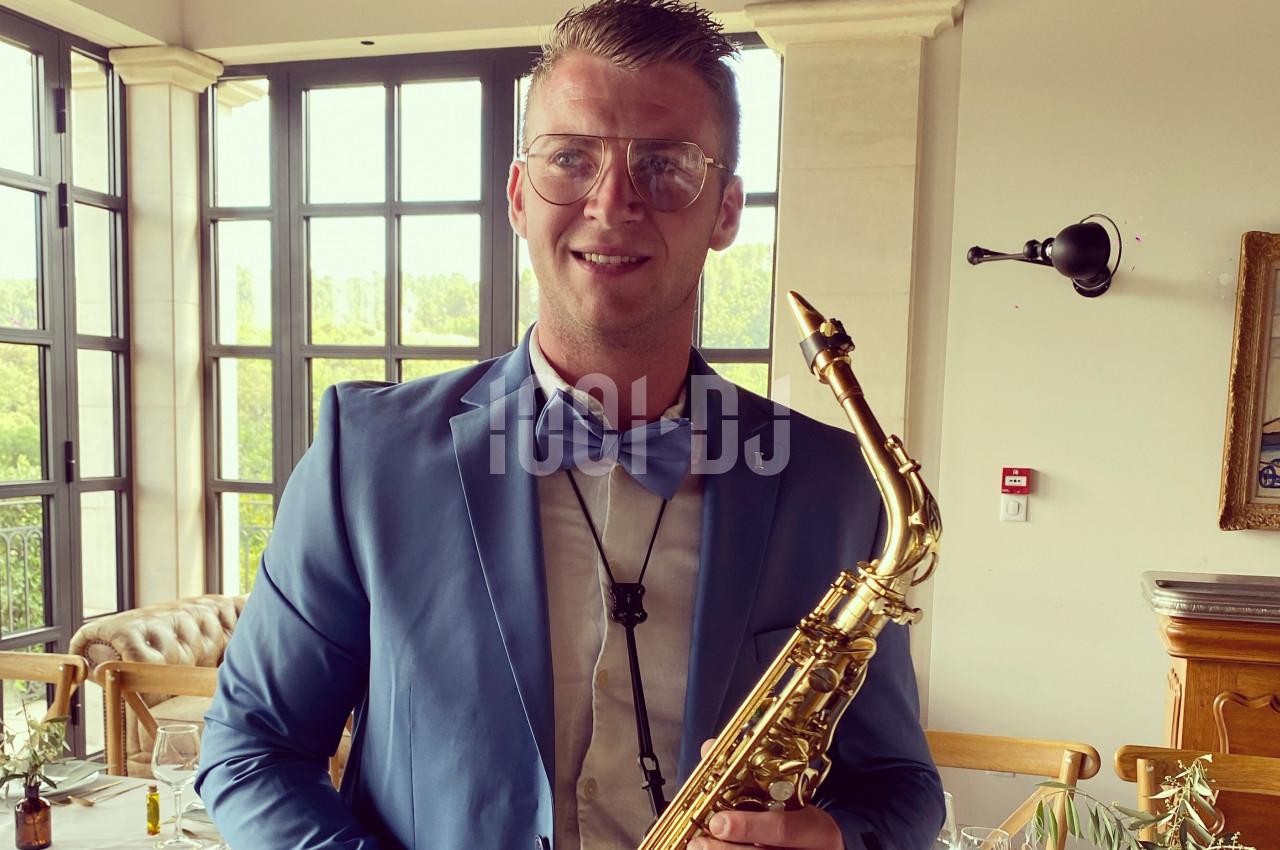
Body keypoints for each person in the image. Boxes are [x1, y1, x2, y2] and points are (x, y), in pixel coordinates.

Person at [196, 1, 944, 848]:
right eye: (570, 159)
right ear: (520, 195)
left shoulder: (833, 482)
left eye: (666, 165)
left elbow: (903, 789)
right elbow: (250, 747)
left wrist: (836, 839)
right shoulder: (365, 455)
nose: (613, 201)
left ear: (726, 210)